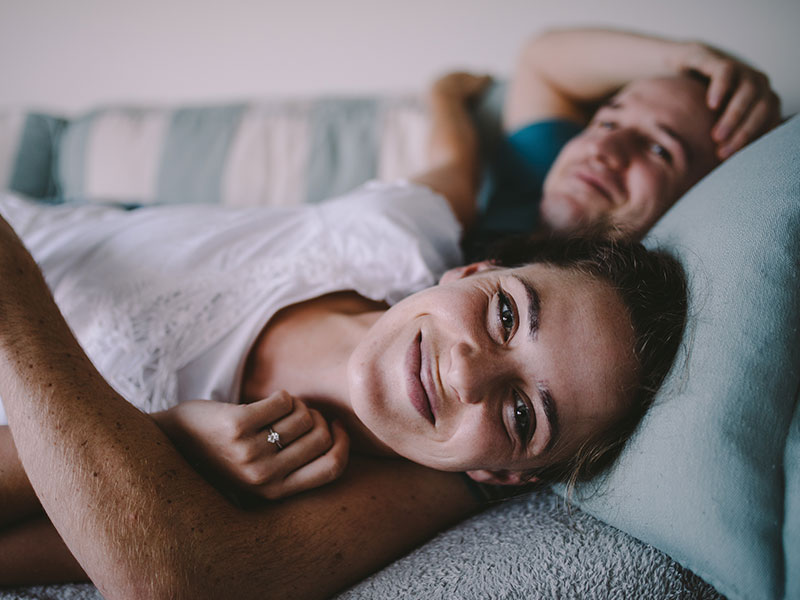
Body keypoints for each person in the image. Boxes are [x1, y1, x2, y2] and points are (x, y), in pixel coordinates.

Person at [0, 77, 688, 596]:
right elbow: (457, 159)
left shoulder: (316, 485)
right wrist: (449, 95)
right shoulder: (402, 230)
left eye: (521, 414)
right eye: (506, 315)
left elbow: (173, 582)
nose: (466, 375)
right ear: (472, 271)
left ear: (504, 475)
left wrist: (168, 438)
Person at [452, 28, 781, 247]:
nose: (602, 148)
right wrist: (686, 56)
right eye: (608, 122)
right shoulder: (536, 177)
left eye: (659, 149)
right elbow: (539, 60)